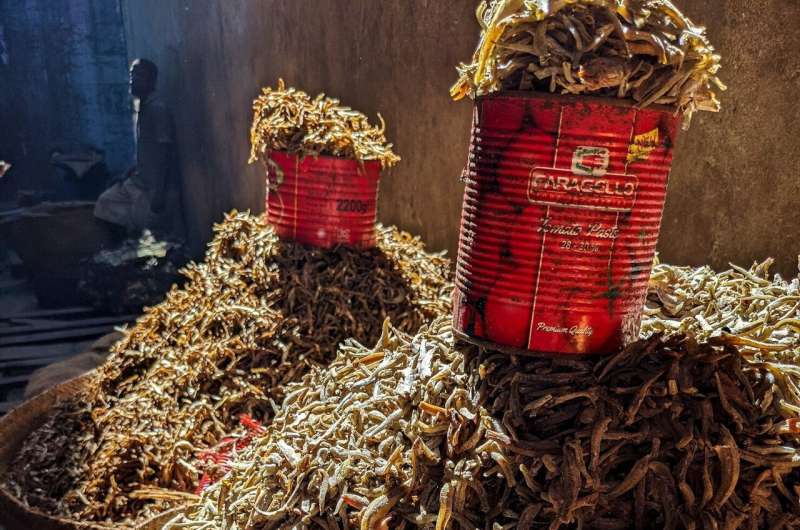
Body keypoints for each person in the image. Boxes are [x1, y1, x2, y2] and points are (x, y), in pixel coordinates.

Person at [94, 59, 184, 239]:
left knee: (153, 232)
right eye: (131, 75)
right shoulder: (143, 108)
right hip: (139, 181)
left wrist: (158, 192)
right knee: (105, 203)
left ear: (151, 81)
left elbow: (164, 153)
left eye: (138, 75)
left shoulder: (158, 109)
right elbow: (147, 153)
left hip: (155, 187)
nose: (132, 80)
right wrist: (128, 172)